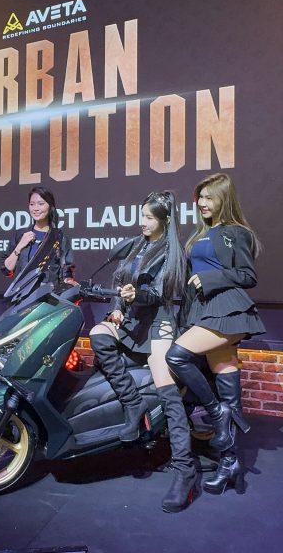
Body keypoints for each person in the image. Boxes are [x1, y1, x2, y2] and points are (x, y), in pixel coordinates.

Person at [87, 191, 198, 512]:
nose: (143, 222)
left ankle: (184, 468)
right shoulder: (137, 245)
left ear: (164, 220)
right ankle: (133, 405)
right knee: (98, 334)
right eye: (142, 216)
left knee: (167, 390)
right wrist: (119, 307)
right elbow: (122, 282)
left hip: (158, 322)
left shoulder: (173, 253)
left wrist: (136, 295)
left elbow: (157, 293)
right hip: (133, 320)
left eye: (149, 217)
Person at [165, 172, 266, 496]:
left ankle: (215, 412)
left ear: (224, 198)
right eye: (201, 198)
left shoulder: (235, 232)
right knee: (228, 388)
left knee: (177, 356)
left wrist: (210, 279)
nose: (203, 203)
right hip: (204, 310)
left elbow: (248, 275)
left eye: (210, 197)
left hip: (227, 310)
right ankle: (230, 463)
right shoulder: (203, 233)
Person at [0, 187, 75, 305]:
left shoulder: (59, 237)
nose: (35, 208)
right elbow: (7, 270)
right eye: (32, 204)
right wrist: (19, 246)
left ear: (50, 206)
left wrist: (69, 282)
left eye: (40, 204)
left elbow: (66, 272)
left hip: (49, 300)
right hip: (22, 300)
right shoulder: (20, 235)